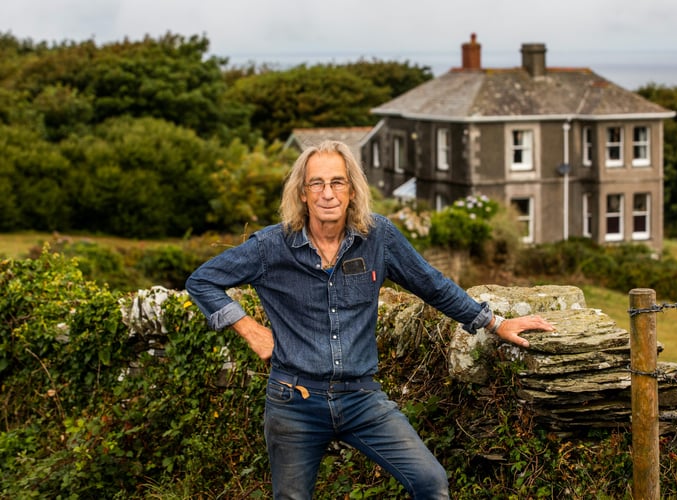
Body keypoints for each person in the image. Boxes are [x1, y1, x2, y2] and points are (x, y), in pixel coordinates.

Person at [185, 140, 555, 499]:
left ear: (351, 190)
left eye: (337, 182)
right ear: (302, 193)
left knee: (430, 481)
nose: (327, 193)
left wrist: (495, 323)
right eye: (317, 183)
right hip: (293, 401)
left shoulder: (379, 237)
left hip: (361, 398)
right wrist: (250, 329)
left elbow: (433, 286)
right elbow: (202, 281)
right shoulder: (270, 246)